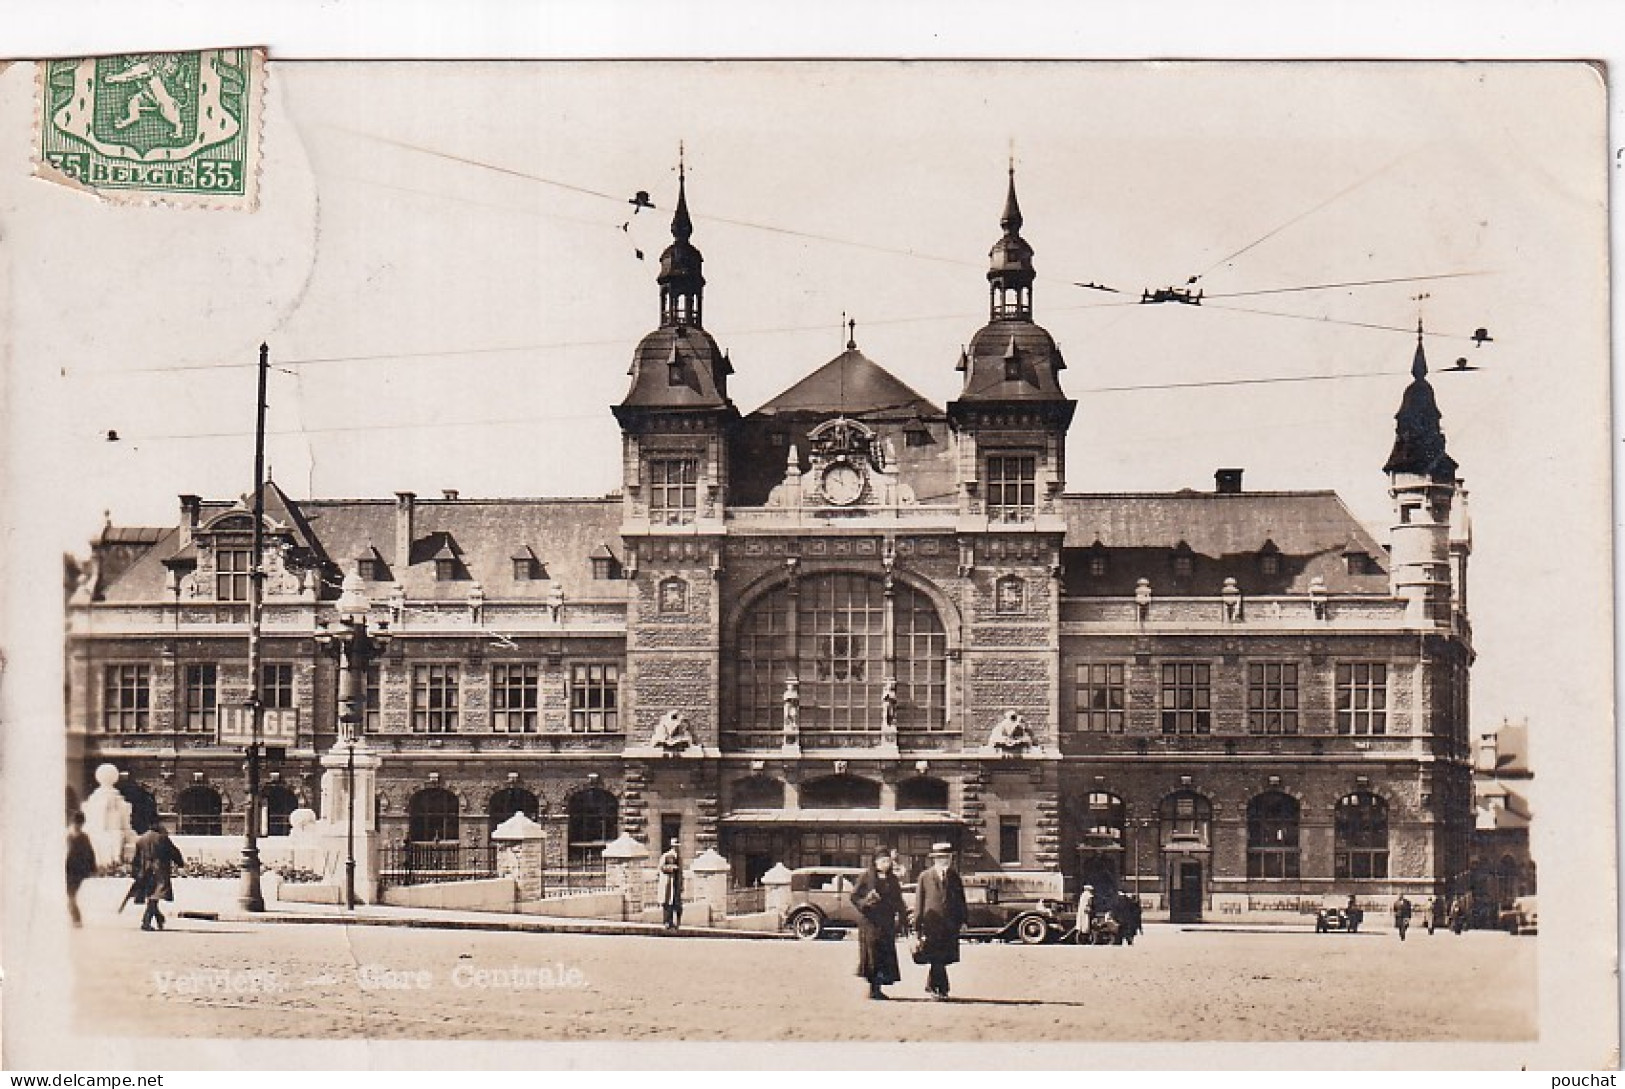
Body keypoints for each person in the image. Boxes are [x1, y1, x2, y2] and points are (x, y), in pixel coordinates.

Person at [850, 851, 908, 1000]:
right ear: (875, 862)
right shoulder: (866, 877)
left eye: (887, 861)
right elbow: (854, 896)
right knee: (872, 954)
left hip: (886, 922)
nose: (885, 864)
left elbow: (899, 900)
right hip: (870, 922)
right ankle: (872, 987)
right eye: (882, 861)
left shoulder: (892, 879)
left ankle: (879, 987)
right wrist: (865, 903)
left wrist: (902, 918)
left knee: (884, 954)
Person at [914, 842, 967, 1001]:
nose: (945, 861)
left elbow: (960, 900)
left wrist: (963, 920)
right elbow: (919, 901)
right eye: (942, 858)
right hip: (931, 924)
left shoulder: (954, 877)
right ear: (935, 859)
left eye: (948, 857)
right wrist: (917, 925)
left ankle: (934, 987)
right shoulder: (925, 877)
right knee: (936, 957)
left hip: (949, 924)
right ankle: (940, 989)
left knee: (942, 958)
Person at [130, 820, 185, 931]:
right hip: (159, 870)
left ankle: (159, 917)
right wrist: (180, 863)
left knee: (151, 895)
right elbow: (173, 851)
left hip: (145, 871)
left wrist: (135, 872)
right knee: (155, 896)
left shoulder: (141, 839)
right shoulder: (162, 838)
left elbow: (136, 858)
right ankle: (146, 922)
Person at [65, 811, 97, 927]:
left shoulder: (82, 837)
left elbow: (90, 853)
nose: (78, 825)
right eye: (77, 823)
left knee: (71, 895)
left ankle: (76, 919)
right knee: (70, 895)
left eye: (79, 823)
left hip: (77, 871)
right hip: (68, 870)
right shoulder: (69, 836)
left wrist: (92, 868)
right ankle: (75, 918)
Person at [657, 840, 683, 930]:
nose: (677, 848)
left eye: (678, 846)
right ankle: (667, 922)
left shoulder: (679, 857)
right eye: (675, 846)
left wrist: (681, 884)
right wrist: (672, 868)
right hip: (668, 883)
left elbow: (681, 872)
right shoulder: (666, 856)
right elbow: (661, 867)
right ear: (672, 846)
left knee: (677, 904)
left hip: (676, 883)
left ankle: (677, 923)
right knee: (668, 903)